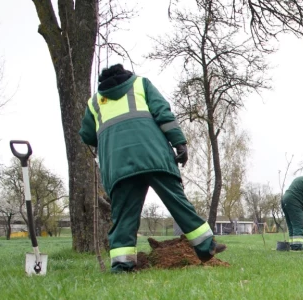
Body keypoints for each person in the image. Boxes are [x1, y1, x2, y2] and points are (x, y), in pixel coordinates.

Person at [79, 64, 225, 273]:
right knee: (177, 201)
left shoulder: (94, 103)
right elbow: (162, 112)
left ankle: (122, 265)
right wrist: (179, 143)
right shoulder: (140, 84)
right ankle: (206, 247)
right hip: (154, 155)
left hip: (119, 165)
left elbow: (87, 135)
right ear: (126, 74)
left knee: (123, 215)